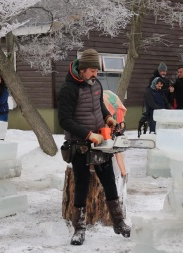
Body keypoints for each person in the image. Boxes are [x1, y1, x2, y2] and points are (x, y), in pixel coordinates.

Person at [57, 48, 130, 246]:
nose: (95, 74)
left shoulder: (96, 84)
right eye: (91, 71)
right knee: (81, 185)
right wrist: (88, 135)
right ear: (81, 69)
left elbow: (100, 106)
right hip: (80, 144)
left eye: (96, 71)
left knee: (109, 182)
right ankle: (79, 229)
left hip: (101, 142)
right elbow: (64, 120)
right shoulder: (68, 89)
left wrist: (108, 118)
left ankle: (119, 222)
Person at [103, 90, 128, 216]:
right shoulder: (103, 105)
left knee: (117, 155)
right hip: (103, 137)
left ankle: (122, 175)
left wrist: (119, 127)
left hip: (112, 132)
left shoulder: (117, 108)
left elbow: (120, 118)